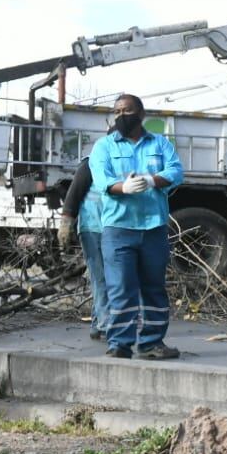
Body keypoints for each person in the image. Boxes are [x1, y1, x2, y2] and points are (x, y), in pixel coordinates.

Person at [90, 94, 184, 359]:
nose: (122, 115)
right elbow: (102, 180)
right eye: (117, 111)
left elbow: (176, 171)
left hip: (153, 228)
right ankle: (119, 344)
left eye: (128, 110)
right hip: (119, 229)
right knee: (121, 287)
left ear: (141, 114)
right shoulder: (104, 147)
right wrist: (124, 187)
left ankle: (151, 344)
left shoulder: (161, 143)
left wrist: (153, 180)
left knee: (154, 287)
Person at [57, 157, 109, 341]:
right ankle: (105, 324)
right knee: (101, 277)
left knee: (101, 277)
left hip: (110, 227)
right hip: (92, 228)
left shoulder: (118, 161)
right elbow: (74, 194)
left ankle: (97, 323)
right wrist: (66, 224)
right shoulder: (91, 163)